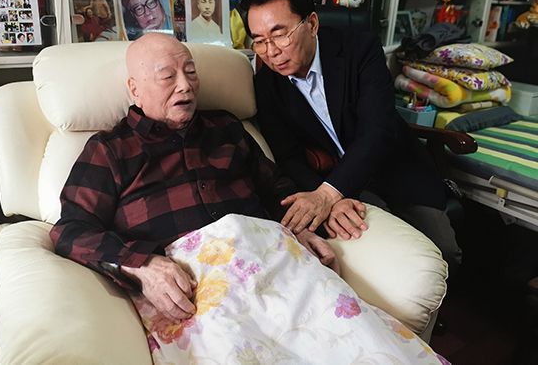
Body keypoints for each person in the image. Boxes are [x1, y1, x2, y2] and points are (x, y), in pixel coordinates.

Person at [50, 32, 366, 323]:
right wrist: (142, 265)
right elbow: (71, 231)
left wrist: (300, 228)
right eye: (168, 77)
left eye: (190, 72)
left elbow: (275, 188)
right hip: (197, 294)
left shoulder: (226, 127)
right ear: (135, 90)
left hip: (273, 265)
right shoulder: (110, 150)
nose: (185, 86)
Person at [241, 0, 461, 273]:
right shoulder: (267, 83)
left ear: (312, 24)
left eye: (280, 35)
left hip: (395, 168)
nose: (271, 52)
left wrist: (329, 193)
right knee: (387, 259)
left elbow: (377, 130)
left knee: (444, 252)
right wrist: (326, 198)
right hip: (335, 179)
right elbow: (287, 156)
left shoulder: (360, 50)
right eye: (259, 41)